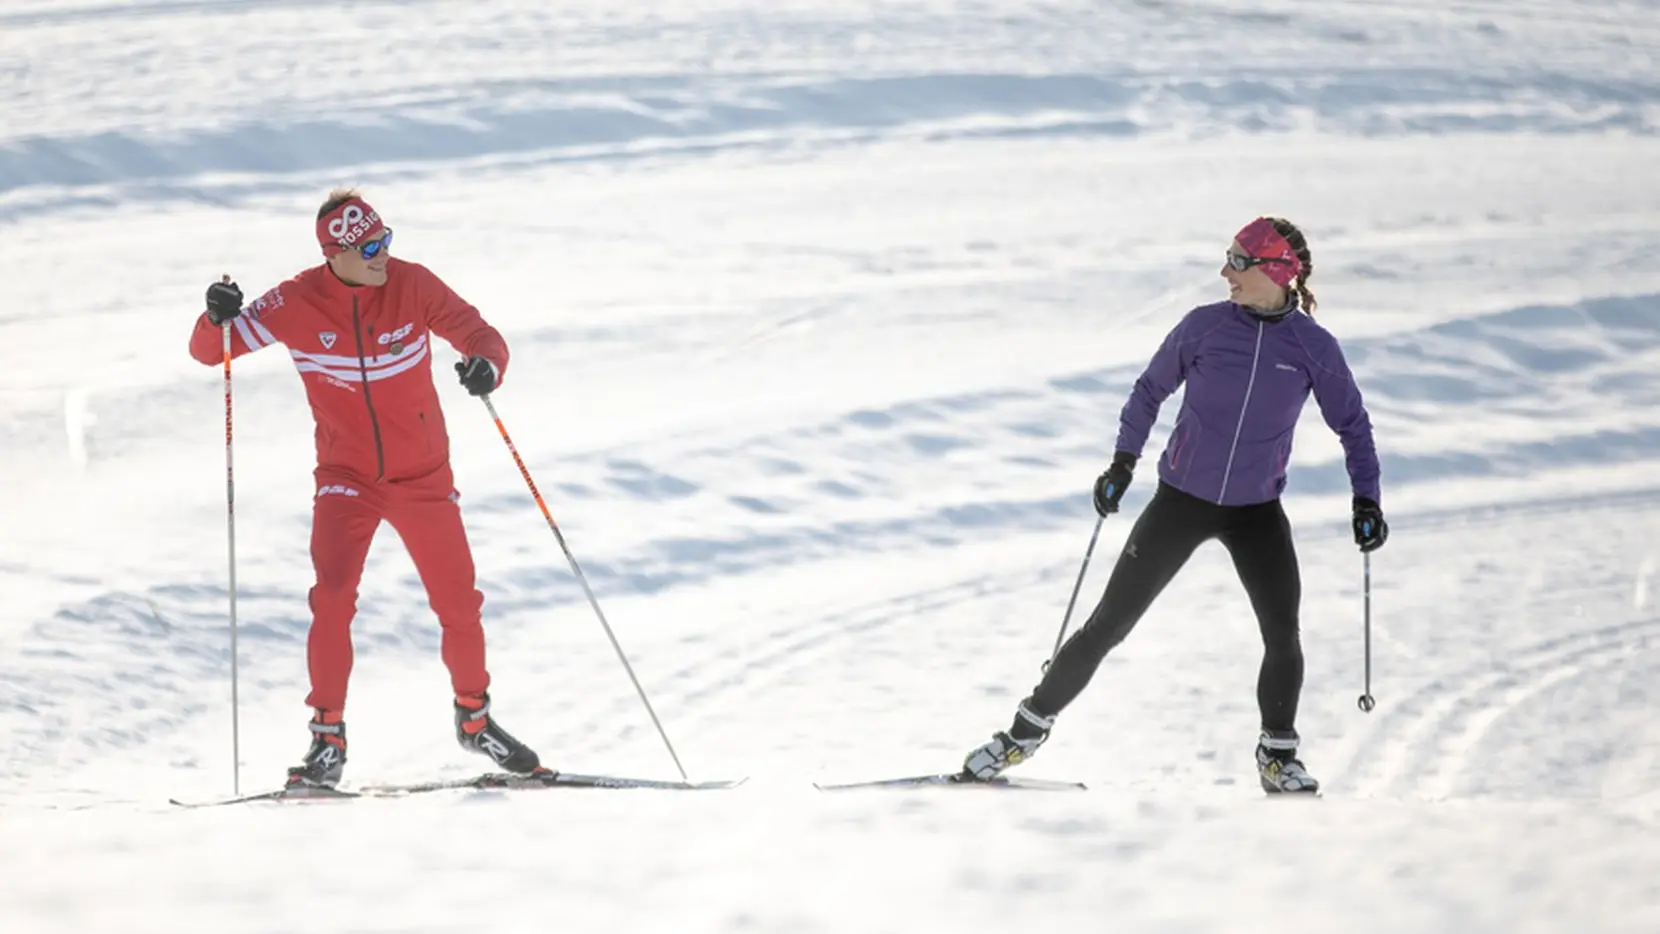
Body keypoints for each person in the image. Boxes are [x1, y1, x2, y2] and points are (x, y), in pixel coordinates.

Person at [960, 217, 1387, 794]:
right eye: (1228, 258)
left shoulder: (1314, 348)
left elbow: (1353, 427)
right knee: (1107, 625)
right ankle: (1021, 734)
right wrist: (1122, 462)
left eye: (1239, 261)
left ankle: (1278, 757)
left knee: (1282, 634)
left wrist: (1366, 499)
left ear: (1279, 271)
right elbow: (1149, 390)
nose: (1225, 272)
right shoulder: (1204, 328)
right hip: (1180, 501)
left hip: (1256, 511)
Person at [188, 188, 543, 789]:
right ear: (335, 255)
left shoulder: (413, 285)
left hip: (424, 477)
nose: (383, 255)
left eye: (385, 239)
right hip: (346, 480)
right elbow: (208, 351)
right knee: (331, 597)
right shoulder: (297, 300)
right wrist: (215, 315)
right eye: (369, 247)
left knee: (458, 602)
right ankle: (327, 738)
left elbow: (481, 334)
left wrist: (487, 366)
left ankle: (475, 720)